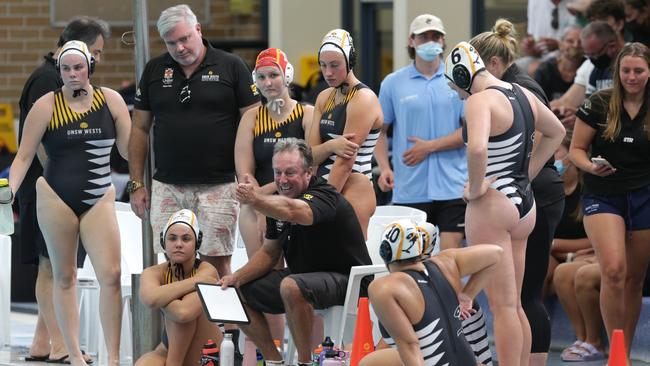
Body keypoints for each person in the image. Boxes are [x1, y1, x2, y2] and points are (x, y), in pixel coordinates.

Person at [9, 40, 131, 366]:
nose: (73, 74)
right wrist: (7, 190)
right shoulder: (46, 105)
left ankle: (115, 358)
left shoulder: (111, 101)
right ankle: (74, 356)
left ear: (89, 67)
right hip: (55, 198)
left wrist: (146, 181)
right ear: (59, 70)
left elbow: (131, 151)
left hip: (98, 198)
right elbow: (23, 156)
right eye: (66, 69)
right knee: (65, 278)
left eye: (78, 67)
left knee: (112, 274)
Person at [444, 41, 565, 366]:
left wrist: (476, 185)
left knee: (503, 307)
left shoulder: (480, 101)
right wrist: (526, 173)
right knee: (516, 305)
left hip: (493, 207)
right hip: (524, 203)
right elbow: (557, 131)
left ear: (462, 74)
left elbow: (477, 149)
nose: (458, 93)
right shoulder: (521, 92)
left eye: (455, 86)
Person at [129, 4, 259, 277]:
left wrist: (248, 175)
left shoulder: (230, 65)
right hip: (168, 185)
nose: (179, 48)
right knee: (174, 264)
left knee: (216, 264)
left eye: (185, 38)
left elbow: (253, 124)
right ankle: (180, 320)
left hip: (220, 184)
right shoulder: (155, 70)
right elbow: (139, 129)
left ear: (198, 30)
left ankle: (225, 322)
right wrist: (137, 183)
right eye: (171, 42)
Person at [219, 138, 372, 365]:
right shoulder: (276, 205)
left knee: (291, 286)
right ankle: (274, 360)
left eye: (290, 172)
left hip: (348, 279)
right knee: (237, 291)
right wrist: (236, 277)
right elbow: (269, 254)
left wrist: (256, 199)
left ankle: (304, 362)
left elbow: (295, 212)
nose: (282, 180)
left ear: (309, 172)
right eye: (277, 172)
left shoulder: (324, 195)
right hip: (304, 278)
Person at [570, 42, 650, 361]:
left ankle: (623, 353)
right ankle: (614, 349)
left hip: (644, 194)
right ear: (617, 72)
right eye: (626, 70)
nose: (632, 76)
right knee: (614, 270)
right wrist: (592, 166)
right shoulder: (600, 102)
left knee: (633, 279)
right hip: (604, 193)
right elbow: (576, 149)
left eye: (639, 71)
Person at [233, 47, 312, 359]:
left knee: (300, 281)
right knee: (264, 280)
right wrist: (261, 203)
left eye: (274, 75)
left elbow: (310, 166)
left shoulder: (306, 114)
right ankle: (274, 354)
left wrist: (268, 198)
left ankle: (306, 352)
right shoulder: (251, 117)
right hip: (257, 208)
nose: (268, 82)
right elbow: (244, 172)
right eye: (262, 76)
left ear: (287, 76)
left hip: (297, 203)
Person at [375, 14, 467, 250]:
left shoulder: (457, 79)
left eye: (435, 36)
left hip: (453, 186)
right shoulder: (393, 83)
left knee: (450, 260)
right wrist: (384, 167)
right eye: (424, 36)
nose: (430, 41)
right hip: (410, 188)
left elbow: (470, 130)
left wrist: (429, 146)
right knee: (412, 260)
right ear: (411, 41)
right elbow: (379, 131)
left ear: (444, 40)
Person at [359, 219, 502, 366]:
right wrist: (467, 295)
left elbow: (410, 346)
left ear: (385, 252)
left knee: (367, 363)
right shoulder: (447, 262)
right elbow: (497, 253)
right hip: (468, 361)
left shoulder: (384, 287)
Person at [307, 28, 383, 238]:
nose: (328, 72)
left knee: (350, 259)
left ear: (350, 62)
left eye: (335, 65)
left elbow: (345, 162)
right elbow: (310, 155)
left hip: (354, 187)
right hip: (323, 187)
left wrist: (321, 203)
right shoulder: (324, 97)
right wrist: (331, 145)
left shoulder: (363, 98)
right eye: (323, 66)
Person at [135, 209, 223, 366]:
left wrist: (162, 296)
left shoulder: (206, 270)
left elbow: (183, 313)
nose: (178, 244)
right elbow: (149, 299)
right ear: (164, 242)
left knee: (180, 312)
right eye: (172, 238)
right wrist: (196, 282)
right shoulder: (153, 272)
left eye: (186, 238)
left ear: (197, 242)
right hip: (169, 347)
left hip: (206, 350)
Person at [548, 133, 606, 362]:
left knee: (580, 274)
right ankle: (581, 339)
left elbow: (595, 238)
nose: (551, 161)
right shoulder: (549, 190)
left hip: (595, 252)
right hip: (568, 256)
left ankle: (594, 341)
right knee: (557, 271)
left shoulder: (590, 188)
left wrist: (559, 246)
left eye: (556, 154)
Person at [534, 25, 585, 101]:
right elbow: (538, 101)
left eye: (580, 42)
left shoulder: (590, 68)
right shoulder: (545, 70)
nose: (575, 45)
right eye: (570, 41)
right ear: (560, 44)